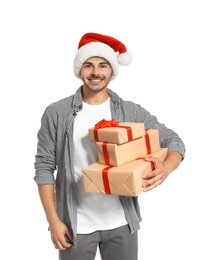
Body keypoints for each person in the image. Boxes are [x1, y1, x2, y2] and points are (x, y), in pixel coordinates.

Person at [34, 32, 186, 260]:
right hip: (76, 225)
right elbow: (44, 168)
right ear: (79, 69)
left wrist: (166, 167)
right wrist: (53, 221)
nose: (96, 72)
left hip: (122, 222)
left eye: (103, 65)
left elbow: (174, 140)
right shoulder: (57, 113)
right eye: (88, 65)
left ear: (112, 70)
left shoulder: (129, 111)